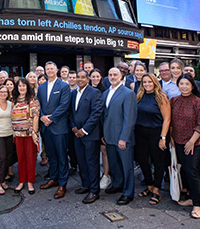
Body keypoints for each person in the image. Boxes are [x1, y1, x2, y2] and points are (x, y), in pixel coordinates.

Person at [170, 74, 200, 219]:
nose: (184, 87)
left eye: (187, 84)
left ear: (192, 86)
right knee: (185, 171)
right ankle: (192, 197)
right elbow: (171, 121)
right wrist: (171, 138)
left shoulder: (198, 102)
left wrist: (192, 141)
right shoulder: (174, 100)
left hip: (194, 143)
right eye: (181, 84)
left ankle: (197, 205)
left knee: (192, 171)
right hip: (178, 141)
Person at [133, 74, 171, 205]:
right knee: (143, 161)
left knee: (158, 161)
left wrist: (163, 137)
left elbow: (167, 119)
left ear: (155, 82)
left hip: (156, 132)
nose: (147, 84)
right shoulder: (139, 96)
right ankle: (149, 186)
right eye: (144, 82)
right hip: (140, 133)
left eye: (150, 82)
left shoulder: (161, 97)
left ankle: (156, 190)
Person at [102, 67, 138, 205]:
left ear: (121, 76)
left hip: (123, 137)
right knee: (114, 164)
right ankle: (117, 184)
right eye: (110, 74)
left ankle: (128, 193)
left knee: (126, 166)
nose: (112, 77)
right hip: (109, 136)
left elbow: (129, 118)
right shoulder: (105, 93)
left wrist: (124, 138)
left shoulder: (128, 93)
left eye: (115, 74)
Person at [37, 61, 71, 199]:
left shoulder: (64, 86)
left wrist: (50, 119)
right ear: (45, 71)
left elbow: (64, 105)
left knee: (62, 157)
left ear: (56, 70)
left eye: (52, 68)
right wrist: (42, 117)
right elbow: (37, 104)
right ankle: (53, 178)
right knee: (51, 156)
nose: (49, 71)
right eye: (47, 69)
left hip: (59, 127)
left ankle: (62, 184)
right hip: (46, 128)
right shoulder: (41, 87)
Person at [70, 70, 104, 204]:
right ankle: (85, 185)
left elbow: (96, 113)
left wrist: (84, 130)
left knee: (91, 162)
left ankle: (94, 191)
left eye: (83, 77)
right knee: (81, 161)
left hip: (90, 134)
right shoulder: (73, 93)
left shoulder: (94, 92)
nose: (79, 79)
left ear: (88, 79)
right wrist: (73, 127)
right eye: (78, 77)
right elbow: (71, 112)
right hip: (76, 134)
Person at [11, 79, 40, 195]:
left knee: (30, 158)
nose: (21, 88)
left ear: (27, 87)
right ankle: (22, 181)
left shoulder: (32, 100)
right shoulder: (14, 100)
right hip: (18, 134)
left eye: (24, 86)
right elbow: (12, 117)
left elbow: (36, 117)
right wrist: (13, 130)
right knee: (21, 158)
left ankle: (30, 182)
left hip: (29, 134)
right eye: (19, 86)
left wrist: (34, 132)